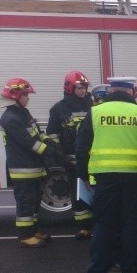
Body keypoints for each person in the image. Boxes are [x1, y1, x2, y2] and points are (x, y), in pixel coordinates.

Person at [75, 76, 137, 273]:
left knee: (104, 225)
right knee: (132, 224)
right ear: (131, 91)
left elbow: (82, 147)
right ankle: (130, 272)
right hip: (135, 177)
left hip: (105, 177)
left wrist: (84, 176)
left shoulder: (95, 113)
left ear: (111, 91)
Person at [0, 78, 74, 248]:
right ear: (15, 95)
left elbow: (39, 135)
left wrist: (55, 145)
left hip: (33, 167)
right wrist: (55, 154)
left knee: (34, 201)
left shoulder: (23, 113)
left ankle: (33, 231)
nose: (28, 98)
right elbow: (31, 144)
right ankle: (25, 235)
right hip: (23, 169)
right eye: (25, 95)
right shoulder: (10, 118)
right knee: (25, 202)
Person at [47, 71, 94, 240]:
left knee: (97, 192)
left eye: (85, 87)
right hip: (71, 159)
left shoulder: (93, 105)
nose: (83, 90)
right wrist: (61, 156)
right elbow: (52, 135)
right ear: (69, 88)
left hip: (94, 159)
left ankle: (100, 224)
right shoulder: (59, 109)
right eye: (79, 87)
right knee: (78, 194)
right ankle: (84, 227)